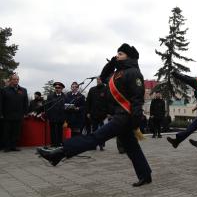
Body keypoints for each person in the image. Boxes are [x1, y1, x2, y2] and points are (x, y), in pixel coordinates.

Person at [37, 43, 152, 187]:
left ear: (129, 56)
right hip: (119, 115)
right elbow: (103, 78)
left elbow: (137, 98)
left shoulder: (133, 72)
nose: (117, 56)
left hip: (125, 116)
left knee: (95, 137)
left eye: (120, 54)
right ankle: (145, 175)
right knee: (132, 147)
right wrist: (111, 64)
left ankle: (59, 153)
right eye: (117, 53)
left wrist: (136, 120)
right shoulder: (116, 73)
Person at [0, 74, 28, 152]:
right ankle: (7, 147)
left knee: (16, 132)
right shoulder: (4, 90)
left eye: (17, 79)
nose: (16, 81)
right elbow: (1, 102)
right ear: (11, 80)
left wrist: (26, 112)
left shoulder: (23, 90)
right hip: (7, 115)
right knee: (7, 131)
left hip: (19, 115)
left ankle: (14, 146)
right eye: (14, 79)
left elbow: (26, 102)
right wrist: (1, 113)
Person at [86, 77, 109, 150]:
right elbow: (88, 102)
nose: (98, 81)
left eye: (99, 80)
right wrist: (88, 112)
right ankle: (94, 144)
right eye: (97, 80)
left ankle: (101, 145)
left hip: (103, 114)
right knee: (94, 130)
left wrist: (109, 112)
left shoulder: (106, 89)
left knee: (102, 130)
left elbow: (109, 102)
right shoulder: (92, 89)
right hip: (94, 113)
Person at [46, 82, 66, 147]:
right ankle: (53, 143)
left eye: (59, 88)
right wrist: (48, 116)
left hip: (61, 117)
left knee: (60, 131)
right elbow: (47, 107)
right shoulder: (50, 96)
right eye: (56, 88)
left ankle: (59, 143)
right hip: (52, 117)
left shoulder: (65, 96)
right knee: (52, 131)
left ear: (62, 88)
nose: (57, 89)